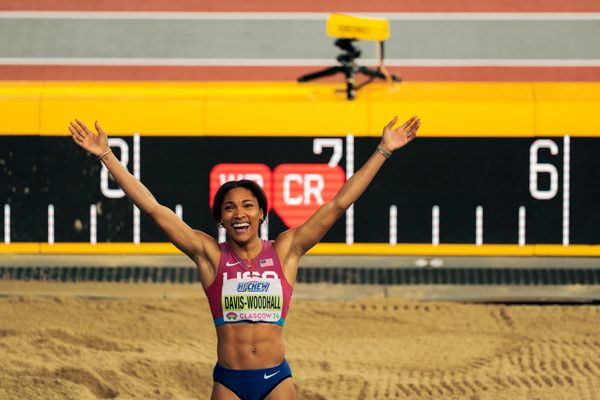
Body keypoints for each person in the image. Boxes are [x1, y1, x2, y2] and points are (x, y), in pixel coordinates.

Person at [68, 115, 420, 400]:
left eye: (248, 205)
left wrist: (383, 151)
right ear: (221, 219)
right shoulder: (208, 255)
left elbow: (339, 203)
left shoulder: (286, 250)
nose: (239, 212)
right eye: (229, 207)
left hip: (277, 382)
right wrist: (106, 156)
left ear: (262, 214)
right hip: (229, 384)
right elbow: (154, 210)